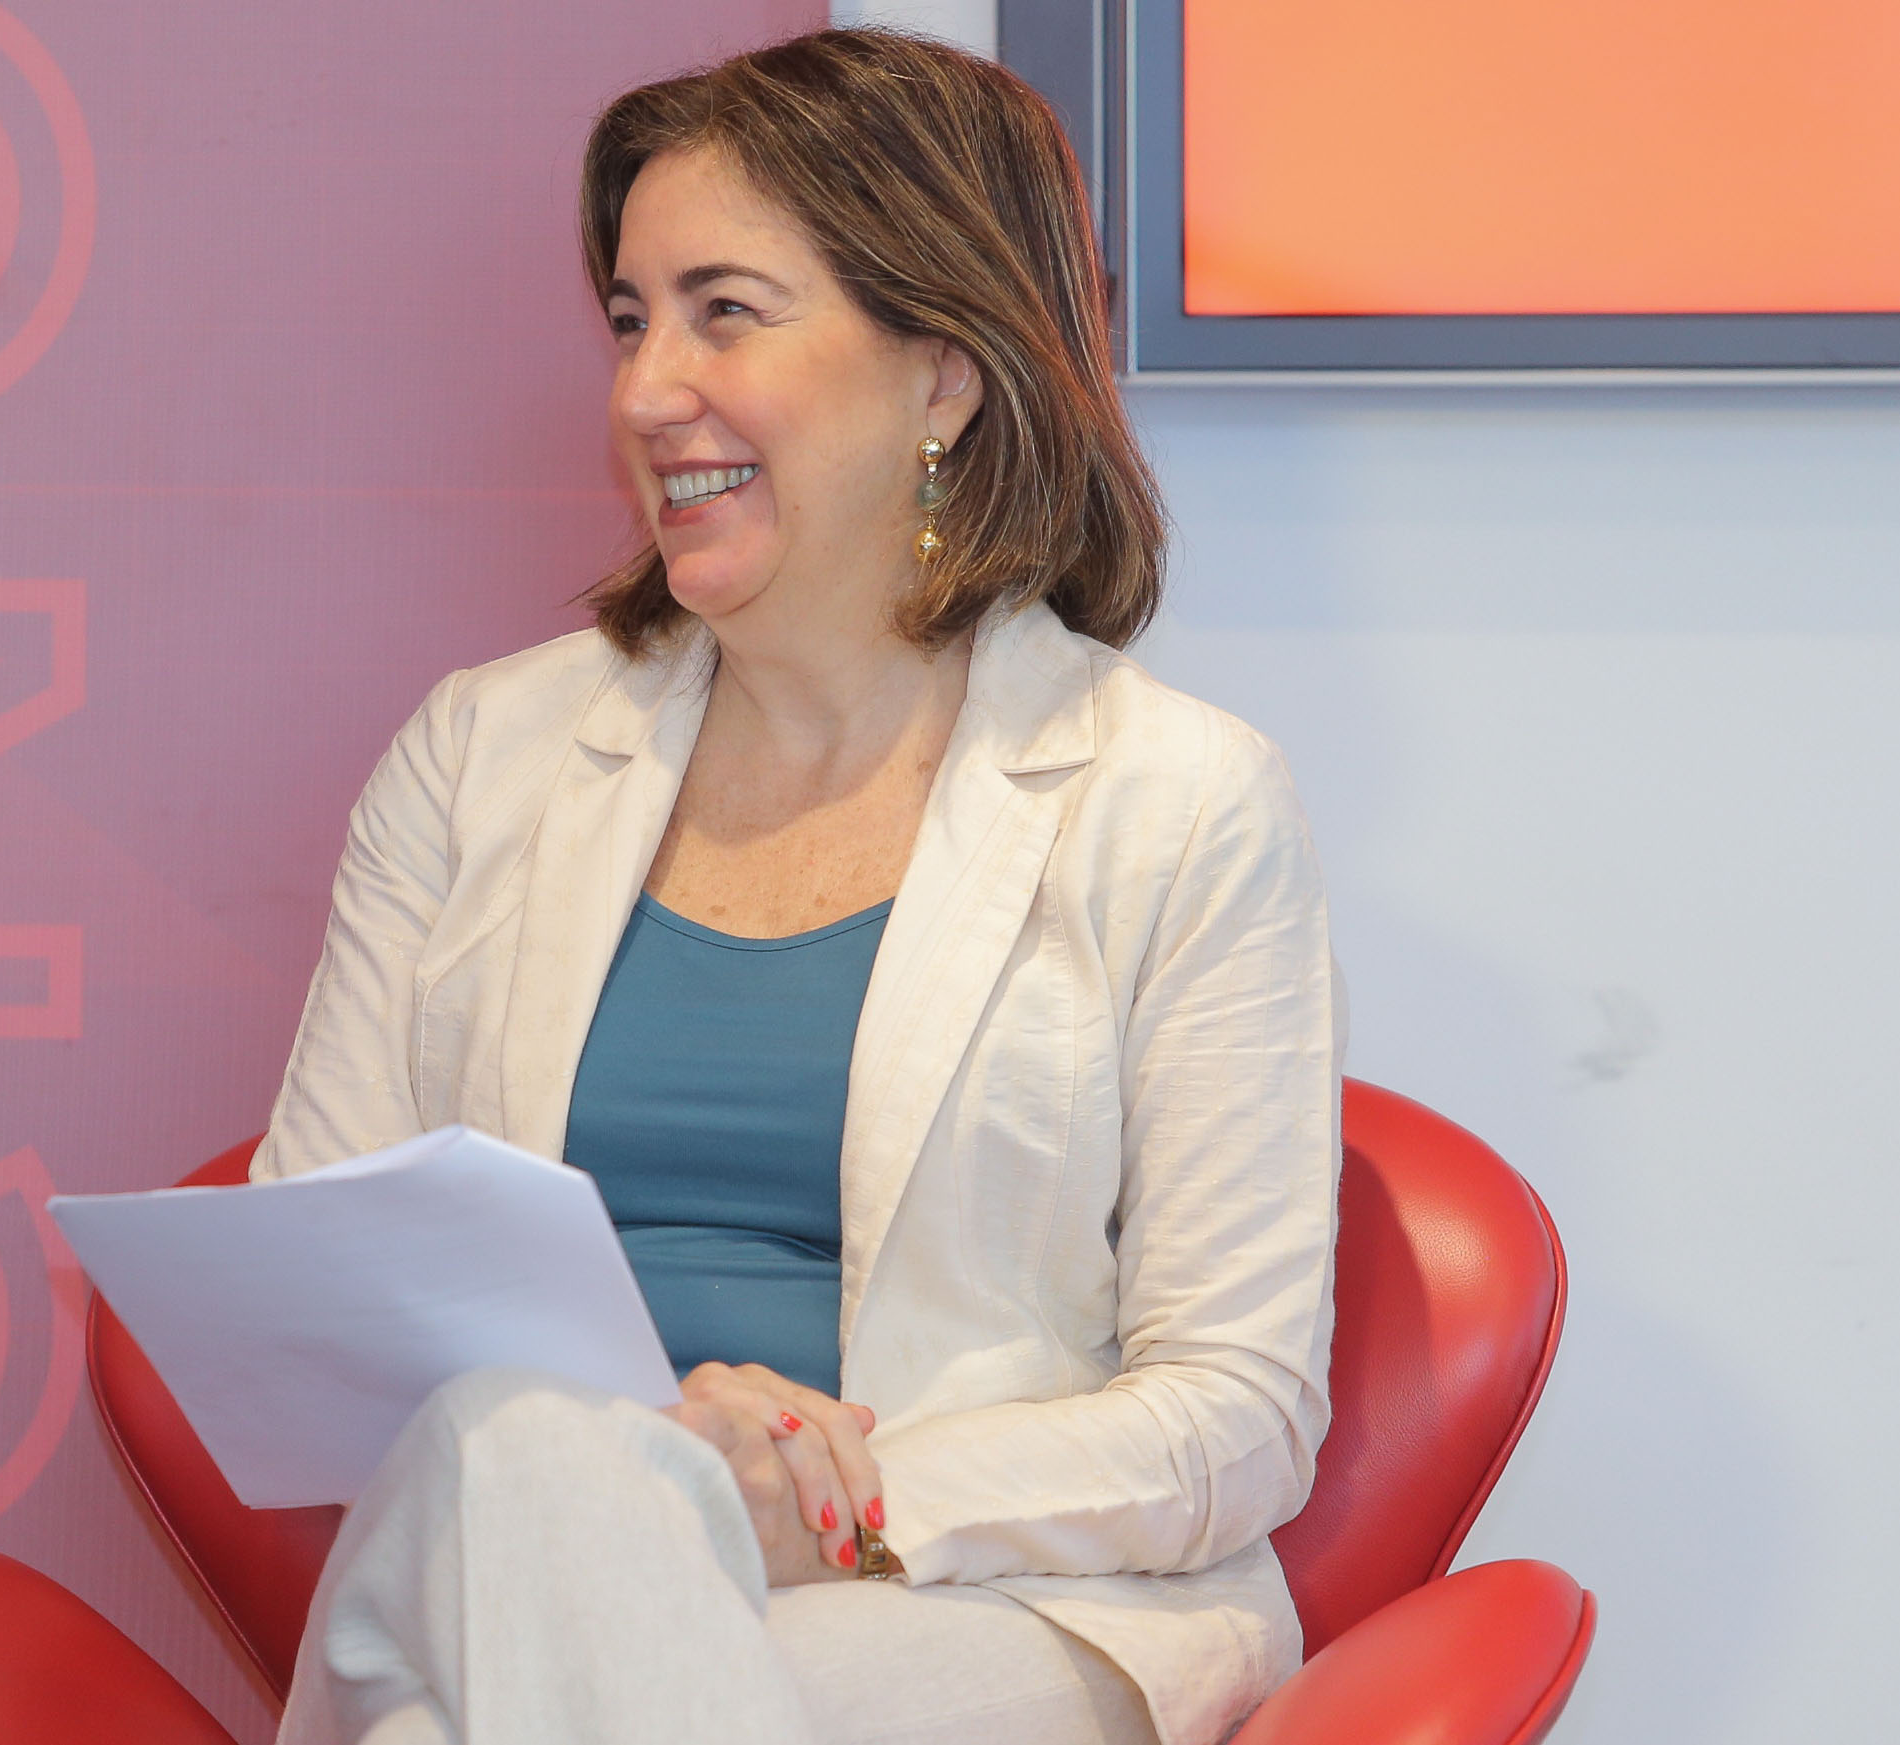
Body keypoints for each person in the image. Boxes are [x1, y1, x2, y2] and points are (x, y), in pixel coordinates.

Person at [249, 29, 1341, 1745]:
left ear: (943, 372)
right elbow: (323, 1284)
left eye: (724, 313)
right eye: (630, 319)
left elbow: (1237, 1409)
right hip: (496, 1557)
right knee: (524, 1459)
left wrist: (830, 1492)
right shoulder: (479, 757)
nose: (642, 391)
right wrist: (641, 1476)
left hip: (966, 1599)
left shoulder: (1176, 802)